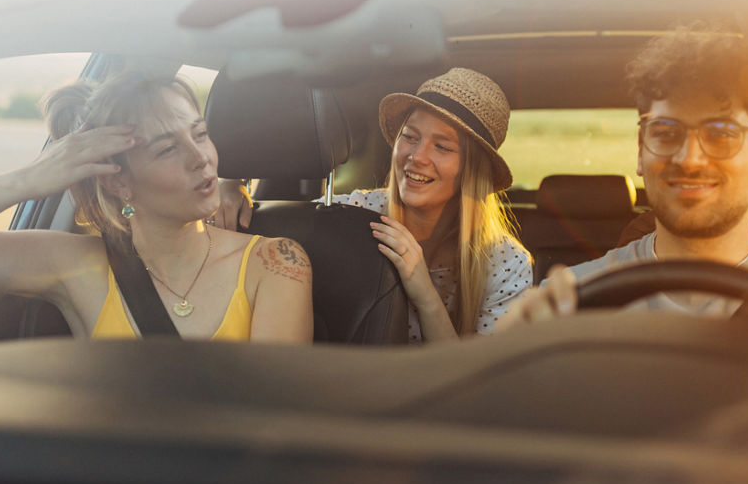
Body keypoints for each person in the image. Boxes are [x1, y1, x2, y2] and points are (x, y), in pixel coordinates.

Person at [500, 23, 748, 366]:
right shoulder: (568, 308)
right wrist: (513, 358)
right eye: (665, 132)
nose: (690, 159)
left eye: (720, 134)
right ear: (641, 152)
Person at [0, 73, 313, 343]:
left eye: (199, 133)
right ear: (118, 182)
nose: (202, 158)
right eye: (166, 150)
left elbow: (275, 424)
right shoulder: (77, 266)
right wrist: (27, 180)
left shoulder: (273, 262)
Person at [220, 68, 533, 343]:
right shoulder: (352, 214)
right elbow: (260, 237)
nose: (417, 156)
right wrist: (230, 185)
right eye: (409, 136)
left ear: (472, 171)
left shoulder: (505, 263)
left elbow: (479, 389)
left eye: (442, 146)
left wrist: (424, 292)